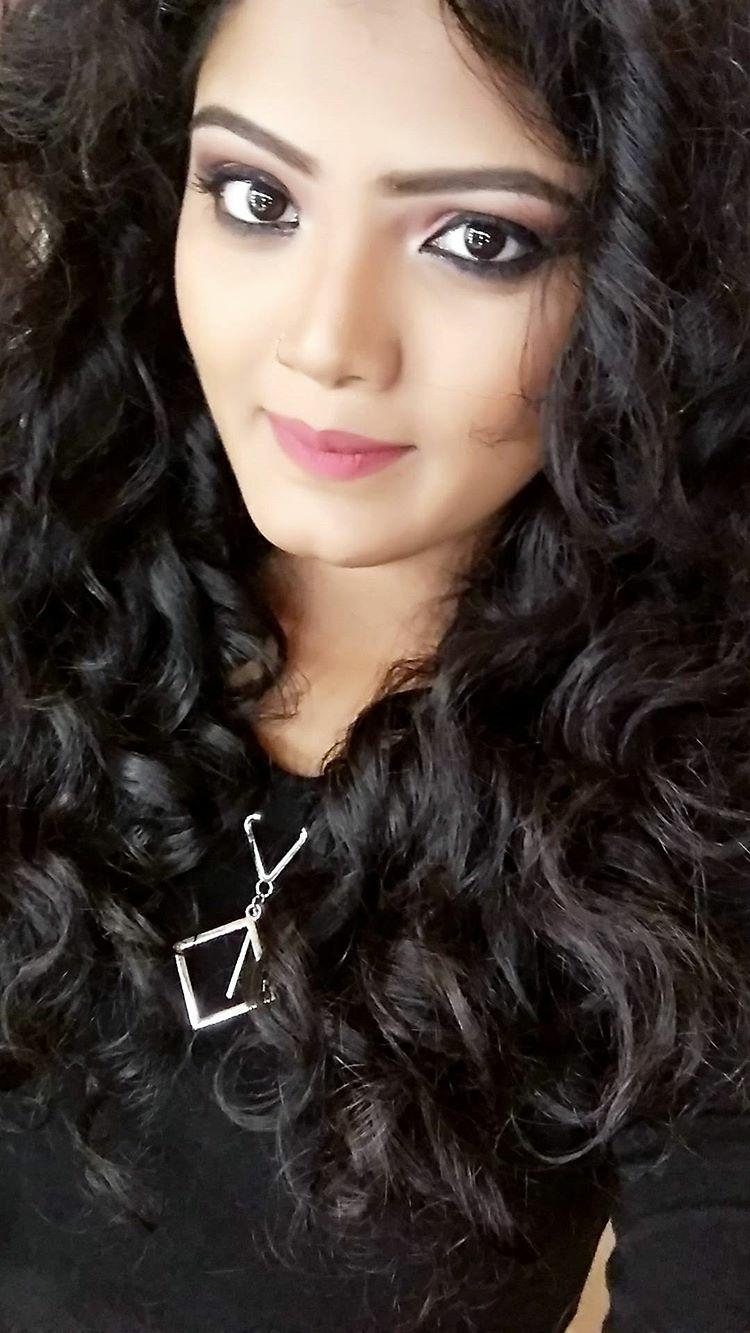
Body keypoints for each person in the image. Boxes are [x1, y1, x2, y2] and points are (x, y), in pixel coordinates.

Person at [1, 0, 750, 1329]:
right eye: (256, 197)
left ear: (650, 282)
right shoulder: (45, 545)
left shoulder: (701, 801)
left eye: (478, 240)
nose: (326, 342)